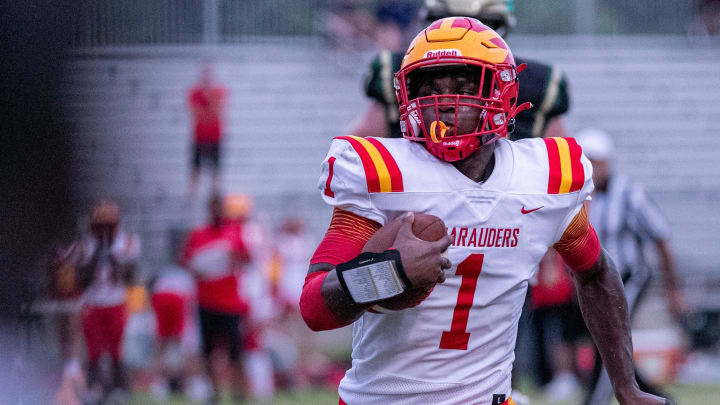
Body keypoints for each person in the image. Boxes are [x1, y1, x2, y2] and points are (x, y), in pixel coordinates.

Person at [299, 17, 671, 405]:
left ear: (502, 93)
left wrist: (626, 387)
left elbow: (596, 272)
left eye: (463, 87)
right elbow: (313, 305)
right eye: (429, 89)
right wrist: (388, 273)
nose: (444, 103)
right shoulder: (384, 172)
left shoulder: (541, 176)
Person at [352, 0, 570, 141]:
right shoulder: (403, 70)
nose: (464, 38)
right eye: (449, 24)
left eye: (482, 25)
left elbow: (566, 171)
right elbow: (358, 149)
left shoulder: (534, 84)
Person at [576, 128, 685, 405]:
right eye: (586, 161)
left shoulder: (629, 194)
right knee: (605, 337)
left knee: (609, 337)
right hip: (591, 278)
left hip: (629, 276)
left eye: (596, 161)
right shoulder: (578, 196)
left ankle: (595, 401)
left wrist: (673, 288)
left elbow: (661, 238)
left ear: (607, 162)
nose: (592, 168)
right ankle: (657, 398)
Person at [182, 194, 251, 403]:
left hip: (230, 303)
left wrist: (230, 257)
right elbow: (187, 262)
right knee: (208, 352)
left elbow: (247, 259)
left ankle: (240, 395)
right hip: (206, 302)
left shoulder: (234, 233)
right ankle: (214, 394)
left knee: (236, 352)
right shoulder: (198, 235)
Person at [76, 200, 140, 403]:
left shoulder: (128, 241)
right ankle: (93, 389)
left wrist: (113, 256)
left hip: (116, 302)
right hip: (93, 303)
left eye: (109, 225)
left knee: (116, 350)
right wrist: (97, 253)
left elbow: (130, 278)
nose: (104, 230)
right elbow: (81, 280)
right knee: (93, 351)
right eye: (100, 225)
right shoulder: (86, 245)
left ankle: (119, 389)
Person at [188, 65, 228, 194]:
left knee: (215, 171)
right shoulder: (194, 93)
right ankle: (191, 201)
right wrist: (209, 109)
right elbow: (197, 115)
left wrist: (207, 102)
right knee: (195, 169)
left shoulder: (219, 92)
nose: (207, 79)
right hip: (199, 137)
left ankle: (215, 200)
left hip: (215, 137)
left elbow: (218, 113)